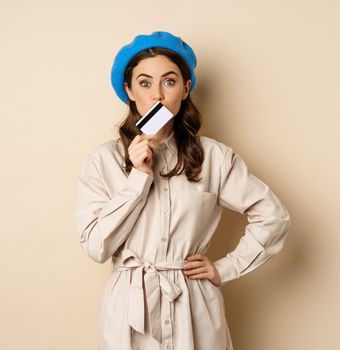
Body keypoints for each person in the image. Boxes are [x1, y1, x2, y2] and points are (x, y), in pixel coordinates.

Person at [75, 31, 291, 350]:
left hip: (194, 305)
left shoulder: (214, 158)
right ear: (129, 90)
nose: (158, 96)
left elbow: (273, 216)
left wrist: (224, 268)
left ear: (186, 88)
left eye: (170, 81)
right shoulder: (102, 162)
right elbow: (96, 248)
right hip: (130, 311)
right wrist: (138, 177)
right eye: (145, 83)